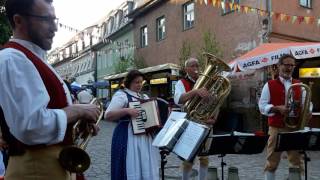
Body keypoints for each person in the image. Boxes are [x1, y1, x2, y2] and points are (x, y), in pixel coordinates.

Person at [0, 0, 100, 179]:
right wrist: (77, 111)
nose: (55, 28)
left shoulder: (34, 58)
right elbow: (31, 126)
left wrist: (76, 126)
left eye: (55, 20)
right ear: (18, 20)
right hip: (36, 169)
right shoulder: (12, 59)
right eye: (46, 19)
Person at [258, 54, 311, 180]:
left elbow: (307, 103)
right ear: (279, 66)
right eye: (286, 65)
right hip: (277, 127)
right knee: (272, 162)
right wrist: (277, 108)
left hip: (295, 127)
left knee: (298, 163)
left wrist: (308, 111)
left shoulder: (299, 84)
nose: (289, 68)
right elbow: (262, 106)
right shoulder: (269, 85)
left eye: (292, 65)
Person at [105, 70, 159, 180]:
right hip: (128, 136)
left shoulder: (144, 96)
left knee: (144, 164)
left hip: (145, 137)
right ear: (129, 82)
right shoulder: (122, 95)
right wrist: (127, 111)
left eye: (141, 82)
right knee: (130, 164)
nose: (139, 85)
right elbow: (108, 115)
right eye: (136, 82)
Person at [174, 57, 217, 180]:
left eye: (197, 66)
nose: (196, 68)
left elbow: (216, 103)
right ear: (186, 68)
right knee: (188, 157)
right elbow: (178, 100)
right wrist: (195, 92)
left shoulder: (207, 83)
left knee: (204, 157)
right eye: (192, 66)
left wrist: (213, 118)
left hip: (206, 123)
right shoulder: (181, 83)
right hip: (190, 123)